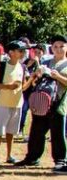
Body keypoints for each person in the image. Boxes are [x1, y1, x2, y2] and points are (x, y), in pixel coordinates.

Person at [21, 34, 67, 170]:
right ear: (51, 48)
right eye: (55, 47)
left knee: (57, 133)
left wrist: (57, 76)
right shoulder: (46, 62)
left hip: (59, 102)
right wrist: (38, 73)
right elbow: (34, 81)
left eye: (61, 46)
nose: (58, 49)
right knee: (36, 131)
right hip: (42, 101)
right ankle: (32, 157)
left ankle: (61, 160)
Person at [0, 41, 31, 166]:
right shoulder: (3, 66)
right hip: (2, 102)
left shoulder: (22, 67)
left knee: (11, 131)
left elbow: (23, 87)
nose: (23, 53)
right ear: (11, 53)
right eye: (20, 50)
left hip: (17, 103)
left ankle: (9, 155)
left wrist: (33, 77)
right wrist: (7, 87)